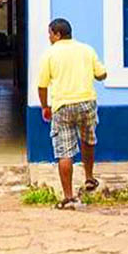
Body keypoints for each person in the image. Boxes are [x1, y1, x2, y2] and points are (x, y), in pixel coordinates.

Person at [36, 17, 107, 210]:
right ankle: (89, 178)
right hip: (86, 102)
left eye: (50, 33)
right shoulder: (86, 50)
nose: (49, 37)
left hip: (63, 106)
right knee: (87, 140)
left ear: (57, 34)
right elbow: (102, 74)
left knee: (64, 151)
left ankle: (68, 197)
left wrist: (45, 106)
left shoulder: (50, 54)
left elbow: (42, 85)